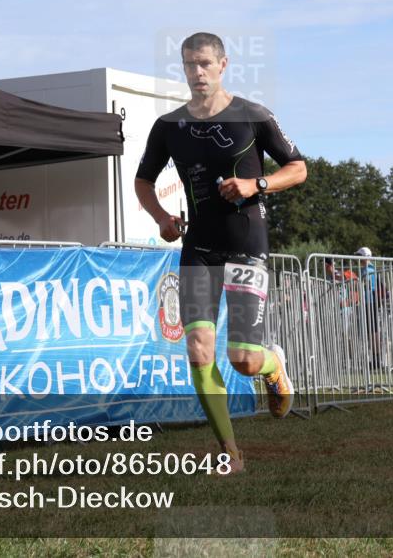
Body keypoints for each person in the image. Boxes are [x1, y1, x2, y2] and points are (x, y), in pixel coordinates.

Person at [135, 32, 307, 473]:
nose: (197, 73)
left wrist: (257, 184)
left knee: (242, 360)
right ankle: (230, 452)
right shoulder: (169, 125)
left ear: (224, 64)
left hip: (245, 246)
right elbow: (143, 181)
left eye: (205, 64)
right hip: (199, 248)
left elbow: (299, 167)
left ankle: (272, 364)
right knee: (197, 347)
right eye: (189, 65)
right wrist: (161, 218)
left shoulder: (252, 115)